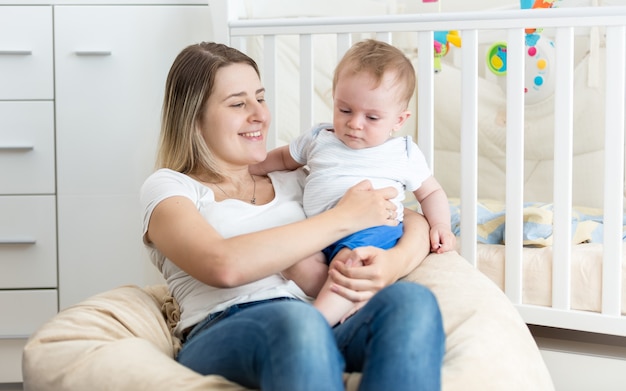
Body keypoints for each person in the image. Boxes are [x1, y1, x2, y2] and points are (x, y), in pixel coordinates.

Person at [140, 41, 445, 391]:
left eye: (260, 97)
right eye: (239, 103)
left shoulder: (300, 176)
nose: (259, 114)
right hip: (227, 327)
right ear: (194, 118)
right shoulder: (171, 186)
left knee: (413, 302)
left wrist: (395, 262)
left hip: (328, 320)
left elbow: (405, 215)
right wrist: (341, 219)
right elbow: (222, 265)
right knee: (297, 323)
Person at [251, 39, 455, 326]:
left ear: (399, 120)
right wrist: (250, 167)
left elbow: (431, 191)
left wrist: (441, 225)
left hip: (370, 230)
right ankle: (356, 302)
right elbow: (285, 158)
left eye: (372, 117)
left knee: (347, 266)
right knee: (293, 259)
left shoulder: (403, 152)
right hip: (323, 231)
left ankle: (318, 323)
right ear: (334, 98)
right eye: (345, 110)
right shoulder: (319, 137)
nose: (355, 123)